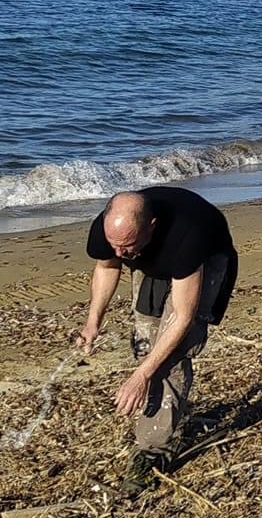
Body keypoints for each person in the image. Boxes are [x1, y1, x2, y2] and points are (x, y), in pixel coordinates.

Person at [76, 185, 238, 482]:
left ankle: (153, 449)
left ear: (151, 226)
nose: (120, 253)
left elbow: (183, 317)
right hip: (155, 262)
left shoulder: (187, 235)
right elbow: (108, 267)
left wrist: (141, 376)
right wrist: (93, 322)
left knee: (169, 355)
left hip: (205, 258)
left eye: (127, 245)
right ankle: (161, 408)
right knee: (144, 343)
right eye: (114, 244)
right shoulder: (111, 231)